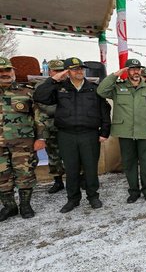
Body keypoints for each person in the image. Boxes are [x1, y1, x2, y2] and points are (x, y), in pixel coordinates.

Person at [34, 57, 111, 213]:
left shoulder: (93, 88)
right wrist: (54, 79)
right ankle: (73, 199)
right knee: (71, 169)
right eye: (75, 69)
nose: (79, 71)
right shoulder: (59, 88)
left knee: (90, 168)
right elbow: (39, 97)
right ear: (67, 71)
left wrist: (104, 132)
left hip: (89, 134)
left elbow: (104, 110)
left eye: (81, 68)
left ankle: (93, 196)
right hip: (67, 135)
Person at [97, 59, 146, 203]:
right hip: (125, 131)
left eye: (137, 69)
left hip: (145, 130)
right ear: (126, 71)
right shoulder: (117, 87)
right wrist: (115, 75)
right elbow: (101, 91)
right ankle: (133, 191)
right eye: (132, 69)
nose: (136, 72)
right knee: (129, 163)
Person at [0, 57, 47, 221]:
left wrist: (40, 138)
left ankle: (25, 205)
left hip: (22, 143)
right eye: (1, 71)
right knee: (1, 176)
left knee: (25, 174)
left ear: (13, 72)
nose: (5, 74)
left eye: (8, 70)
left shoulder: (26, 91)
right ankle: (9, 206)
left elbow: (38, 117)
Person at [35, 59, 66, 194]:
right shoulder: (42, 85)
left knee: (74, 154)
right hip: (51, 126)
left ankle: (80, 179)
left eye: (62, 70)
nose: (60, 74)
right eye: (56, 71)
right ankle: (58, 181)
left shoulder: (69, 84)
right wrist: (65, 109)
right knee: (54, 156)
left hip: (68, 127)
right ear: (50, 71)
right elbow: (44, 107)